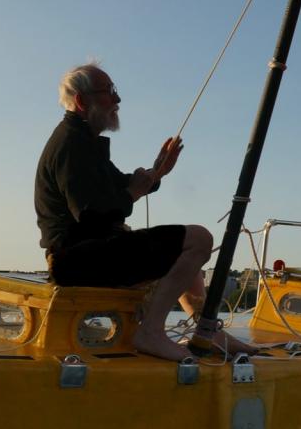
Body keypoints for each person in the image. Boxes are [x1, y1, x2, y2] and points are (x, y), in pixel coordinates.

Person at [35, 62, 256, 361]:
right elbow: (92, 216)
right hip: (75, 261)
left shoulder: (80, 140)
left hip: (85, 254)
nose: (117, 101)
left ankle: (207, 332)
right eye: (109, 93)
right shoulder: (71, 145)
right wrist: (134, 192)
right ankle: (150, 332)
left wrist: (157, 173)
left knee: (185, 256)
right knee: (198, 240)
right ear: (82, 101)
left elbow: (117, 188)